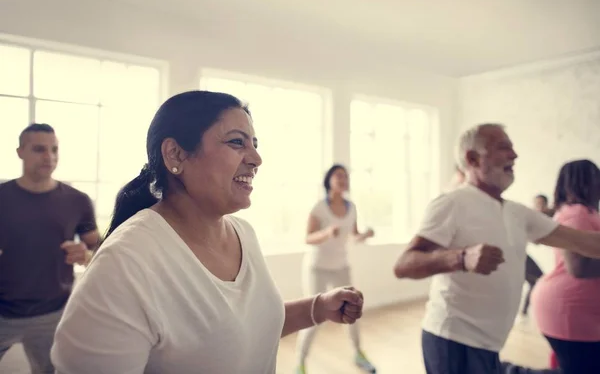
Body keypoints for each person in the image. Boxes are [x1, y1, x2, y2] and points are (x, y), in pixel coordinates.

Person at [49, 91, 366, 374]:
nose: (256, 159)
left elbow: (244, 326)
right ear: (175, 155)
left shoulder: (244, 233)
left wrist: (318, 307)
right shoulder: (125, 264)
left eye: (254, 144)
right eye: (236, 142)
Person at [393, 123, 600, 374]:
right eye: (503, 148)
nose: (514, 155)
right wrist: (461, 258)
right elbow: (403, 265)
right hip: (452, 340)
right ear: (472, 158)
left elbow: (584, 242)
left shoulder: (518, 213)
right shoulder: (451, 203)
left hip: (490, 343)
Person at [0, 123, 99, 374]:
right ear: (20, 151)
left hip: (53, 312)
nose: (49, 157)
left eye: (54, 149)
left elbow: (99, 249)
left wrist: (86, 255)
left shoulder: (78, 200)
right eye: (39, 149)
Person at [295, 164, 376, 374]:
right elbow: (308, 237)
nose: (343, 179)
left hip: (341, 266)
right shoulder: (319, 207)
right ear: (329, 180)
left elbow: (354, 235)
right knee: (313, 318)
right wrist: (327, 233)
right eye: (339, 175)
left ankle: (358, 353)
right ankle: (300, 364)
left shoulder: (353, 207)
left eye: (346, 176)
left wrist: (365, 235)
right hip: (317, 268)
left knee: (352, 310)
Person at [531, 159, 600, 374]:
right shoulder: (576, 213)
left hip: (579, 309)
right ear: (586, 181)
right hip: (570, 310)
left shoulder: (582, 212)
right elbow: (578, 267)